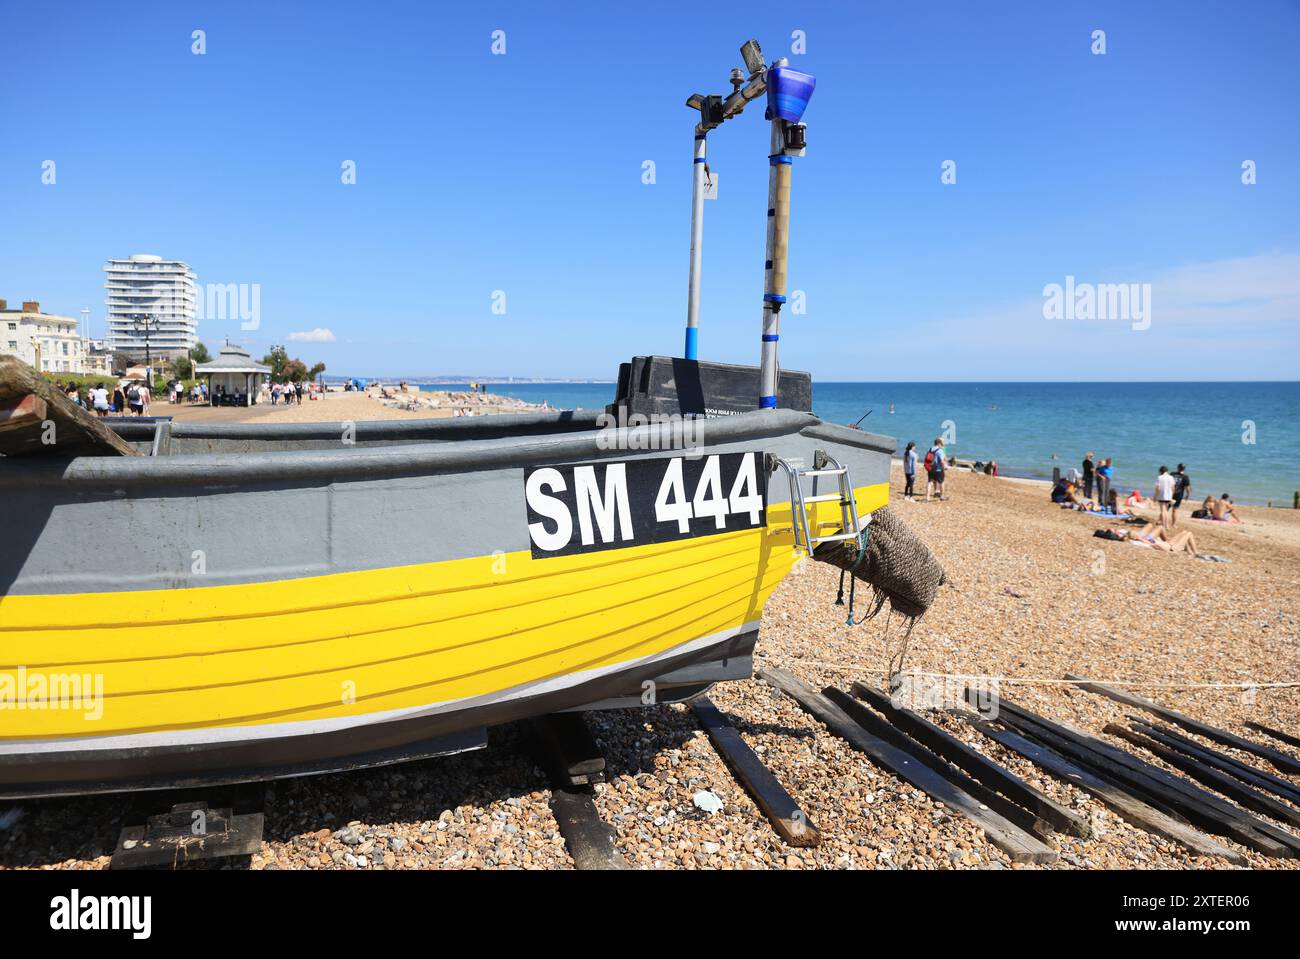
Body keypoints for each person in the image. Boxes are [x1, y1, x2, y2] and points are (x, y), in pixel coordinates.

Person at [1113, 523, 1199, 556]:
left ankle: (1190, 553)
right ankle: (1196, 553)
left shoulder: (1140, 540)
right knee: (1189, 534)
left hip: (1168, 544)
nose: (1138, 533)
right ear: (1135, 537)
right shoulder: (1140, 541)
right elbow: (1156, 546)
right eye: (1136, 533)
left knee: (1184, 532)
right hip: (1171, 548)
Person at [925, 437, 947, 501]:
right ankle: (942, 496)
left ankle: (927, 497)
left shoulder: (930, 449)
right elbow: (942, 461)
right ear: (939, 443)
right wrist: (945, 466)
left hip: (930, 468)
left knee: (929, 482)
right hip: (938, 469)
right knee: (941, 482)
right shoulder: (940, 450)